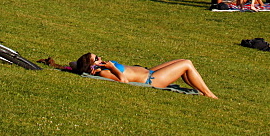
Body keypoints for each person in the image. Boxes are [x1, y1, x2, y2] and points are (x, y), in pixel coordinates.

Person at [74, 52, 217, 97]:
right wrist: (112, 67)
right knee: (186, 64)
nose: (100, 58)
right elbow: (123, 80)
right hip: (151, 80)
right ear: (93, 68)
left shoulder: (103, 68)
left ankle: (201, 90)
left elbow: (74, 64)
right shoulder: (104, 73)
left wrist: (74, 66)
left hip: (150, 71)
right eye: (97, 58)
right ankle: (209, 94)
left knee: (181, 61)